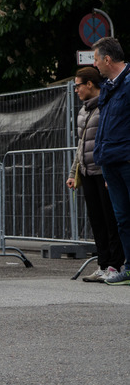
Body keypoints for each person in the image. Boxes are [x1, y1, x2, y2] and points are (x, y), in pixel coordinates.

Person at [66, 67, 124, 282]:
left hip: (104, 171)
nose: (76, 90)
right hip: (87, 171)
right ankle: (102, 265)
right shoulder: (83, 111)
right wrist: (74, 172)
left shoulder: (105, 107)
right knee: (96, 221)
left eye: (78, 85)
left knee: (111, 221)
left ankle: (115, 265)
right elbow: (81, 144)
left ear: (90, 84)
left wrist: (111, 173)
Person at [92, 37, 130, 285]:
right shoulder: (108, 87)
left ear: (107, 59)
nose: (94, 64)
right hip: (111, 162)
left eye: (95, 59)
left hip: (126, 160)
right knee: (123, 218)